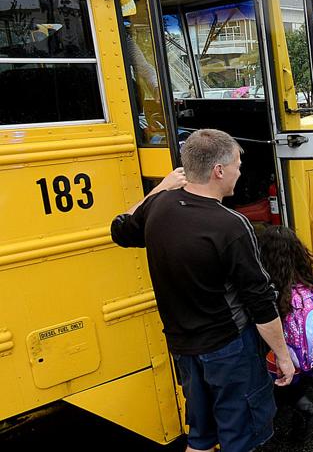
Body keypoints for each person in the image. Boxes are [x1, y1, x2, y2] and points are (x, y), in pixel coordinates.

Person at [110, 129, 294, 452]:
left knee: (201, 437)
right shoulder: (231, 226)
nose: (240, 171)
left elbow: (120, 228)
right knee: (241, 439)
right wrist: (283, 355)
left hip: (183, 348)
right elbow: (261, 301)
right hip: (229, 350)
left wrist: (159, 190)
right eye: (237, 164)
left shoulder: (159, 208)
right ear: (218, 171)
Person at [257, 225, 313, 440]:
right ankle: (303, 417)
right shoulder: (305, 282)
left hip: (285, 359)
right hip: (306, 358)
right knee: (294, 389)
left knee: (281, 391)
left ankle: (308, 411)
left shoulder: (272, 289)